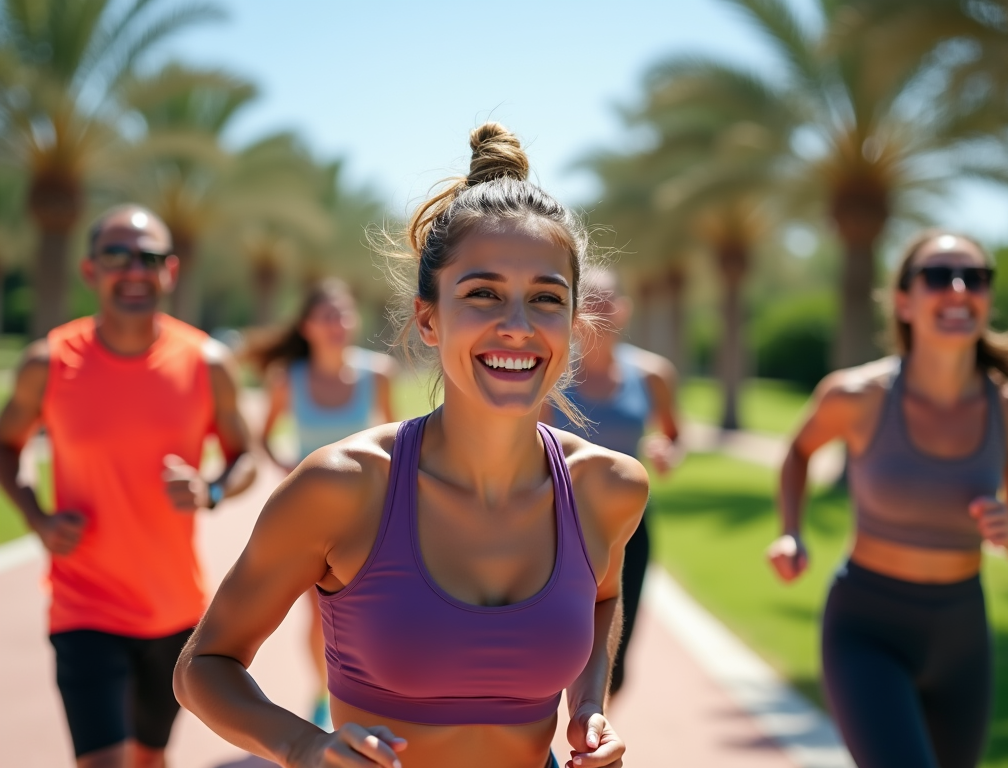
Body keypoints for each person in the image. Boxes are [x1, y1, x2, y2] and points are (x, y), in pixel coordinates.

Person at [174, 123, 648, 768]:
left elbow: (601, 595)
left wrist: (588, 706)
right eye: (483, 294)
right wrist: (302, 745)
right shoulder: (342, 487)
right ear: (429, 318)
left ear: (572, 322)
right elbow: (204, 664)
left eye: (545, 299)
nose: (516, 326)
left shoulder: (609, 487)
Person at [0, 205, 257, 768]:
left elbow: (245, 457)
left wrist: (210, 490)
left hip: (173, 611)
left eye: (149, 258)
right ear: (90, 271)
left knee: (148, 759)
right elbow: (5, 445)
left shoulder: (207, 363)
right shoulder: (48, 363)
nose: (134, 270)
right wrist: (37, 518)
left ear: (170, 271)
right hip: (82, 606)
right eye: (117, 255)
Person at [767, 230, 1008, 768]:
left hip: (963, 634)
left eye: (975, 277)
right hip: (867, 628)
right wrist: (792, 530)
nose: (958, 289)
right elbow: (798, 451)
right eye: (937, 275)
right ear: (904, 301)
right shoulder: (857, 396)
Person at [251, 277, 398, 729]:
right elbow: (263, 435)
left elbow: (398, 440)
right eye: (327, 315)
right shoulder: (287, 381)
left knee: (373, 615)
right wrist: (292, 473)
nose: (338, 324)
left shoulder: (377, 375)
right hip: (311, 520)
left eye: (343, 314)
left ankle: (373, 696)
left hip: (369, 517)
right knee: (319, 619)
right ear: (307, 326)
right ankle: (324, 691)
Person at [546, 268, 684, 696]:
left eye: (606, 299)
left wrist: (667, 451)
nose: (598, 308)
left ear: (623, 309)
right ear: (575, 311)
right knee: (555, 647)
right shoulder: (551, 373)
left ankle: (591, 739)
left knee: (615, 655)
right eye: (587, 299)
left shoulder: (653, 375)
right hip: (561, 527)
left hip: (629, 529)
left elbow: (674, 435)